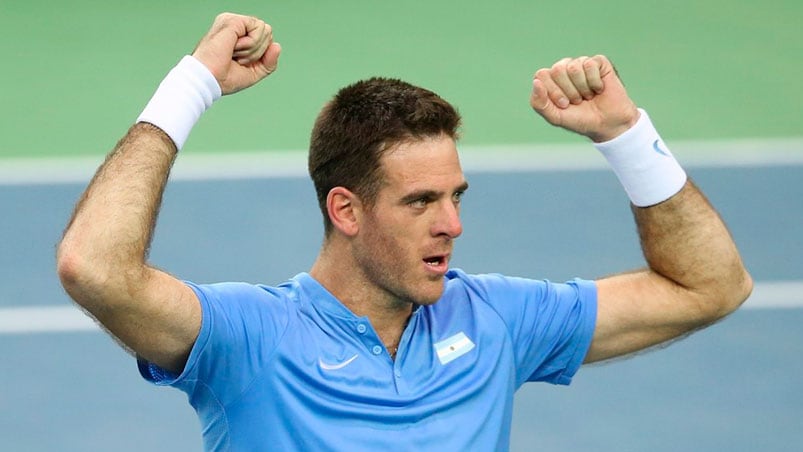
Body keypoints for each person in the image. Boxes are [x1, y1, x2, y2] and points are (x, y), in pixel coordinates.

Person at [56, 12, 752, 451]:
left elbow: (709, 286)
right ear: (346, 210)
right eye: (419, 202)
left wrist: (626, 136)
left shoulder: (495, 320)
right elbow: (94, 268)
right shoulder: (250, 338)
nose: (451, 225)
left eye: (455, 196)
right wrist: (190, 87)